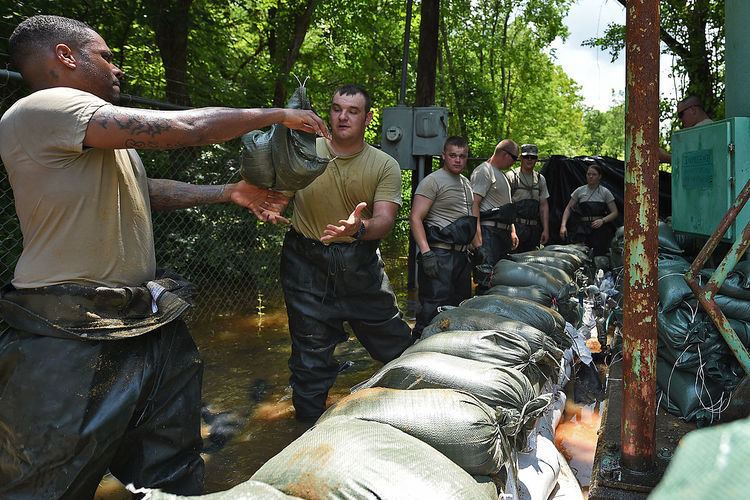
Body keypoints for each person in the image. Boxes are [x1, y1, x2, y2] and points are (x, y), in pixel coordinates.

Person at [0, 15, 328, 498]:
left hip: (143, 321)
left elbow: (141, 190)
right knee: (52, 480)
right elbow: (187, 127)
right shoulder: (46, 107)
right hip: (67, 337)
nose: (119, 69)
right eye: (106, 56)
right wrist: (276, 115)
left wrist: (229, 192)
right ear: (65, 57)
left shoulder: (91, 133)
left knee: (170, 469)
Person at [276, 84, 413, 422]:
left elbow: (384, 220)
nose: (342, 116)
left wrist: (358, 229)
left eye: (352, 111)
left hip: (360, 266)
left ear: (368, 118)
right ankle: (306, 441)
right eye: (337, 108)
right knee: (309, 362)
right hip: (305, 264)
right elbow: (280, 194)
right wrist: (271, 206)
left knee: (397, 347)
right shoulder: (306, 151)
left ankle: (411, 418)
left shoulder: (384, 165)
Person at [410, 136, 477, 336]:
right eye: (453, 155)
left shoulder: (466, 183)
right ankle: (417, 352)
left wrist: (476, 248)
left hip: (461, 256)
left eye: (462, 156)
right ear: (443, 156)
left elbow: (469, 219)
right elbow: (415, 218)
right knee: (432, 309)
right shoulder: (432, 181)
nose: (458, 160)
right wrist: (426, 253)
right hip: (439, 254)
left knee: (459, 307)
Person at [470, 139, 519, 294]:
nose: (515, 162)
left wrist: (512, 231)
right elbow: (474, 204)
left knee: (501, 280)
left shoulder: (502, 176)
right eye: (515, 158)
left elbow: (506, 207)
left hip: (501, 235)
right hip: (488, 234)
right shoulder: (484, 171)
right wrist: (478, 241)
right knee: (486, 281)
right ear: (505, 154)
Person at [559, 163, 619, 256]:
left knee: (599, 255)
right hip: (582, 229)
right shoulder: (579, 191)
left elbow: (615, 212)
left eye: (594, 174)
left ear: (599, 176)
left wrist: (602, 220)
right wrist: (563, 225)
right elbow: (568, 208)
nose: (591, 176)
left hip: (599, 229)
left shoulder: (605, 192)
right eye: (588, 174)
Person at [506, 143, 550, 252]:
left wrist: (546, 229)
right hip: (516, 227)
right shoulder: (511, 176)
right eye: (526, 157)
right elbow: (506, 205)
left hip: (534, 230)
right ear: (521, 158)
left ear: (536, 159)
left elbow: (543, 206)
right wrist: (512, 231)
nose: (529, 160)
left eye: (533, 157)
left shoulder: (540, 179)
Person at [659, 95, 713, 163]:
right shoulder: (713, 130)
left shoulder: (700, 131)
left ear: (693, 110)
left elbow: (694, 163)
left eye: (681, 114)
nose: (680, 119)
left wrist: (666, 157)